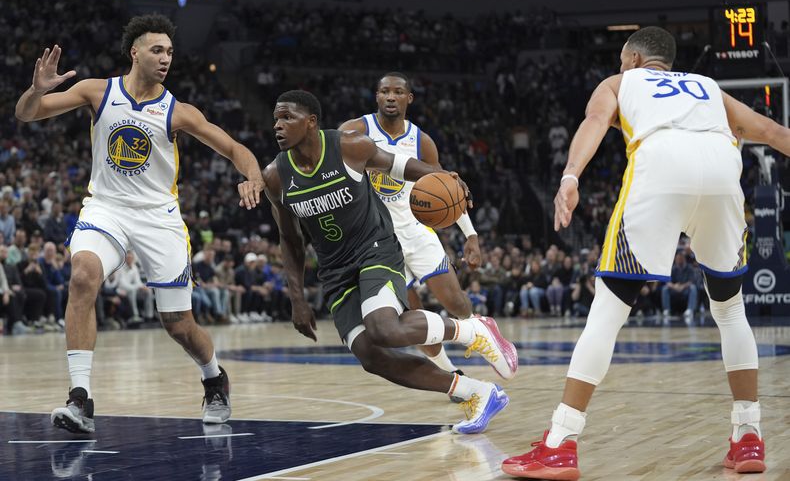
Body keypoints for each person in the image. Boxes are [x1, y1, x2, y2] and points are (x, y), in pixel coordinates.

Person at [502, 26, 790, 478]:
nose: (619, 67)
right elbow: (772, 132)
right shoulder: (709, 87)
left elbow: (595, 122)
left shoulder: (620, 83)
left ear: (634, 59)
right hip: (721, 172)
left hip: (660, 166)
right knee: (731, 311)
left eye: (621, 60)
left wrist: (570, 176)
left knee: (607, 313)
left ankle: (560, 442)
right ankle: (748, 435)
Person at [14, 13, 264, 433]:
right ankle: (80, 399)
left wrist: (252, 176)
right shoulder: (98, 91)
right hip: (105, 208)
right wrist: (35, 91)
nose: (165, 58)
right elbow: (28, 114)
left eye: (169, 51)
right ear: (135, 52)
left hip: (158, 219)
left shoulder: (178, 112)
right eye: (156, 50)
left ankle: (214, 378)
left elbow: (234, 147)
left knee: (178, 324)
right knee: (82, 277)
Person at [262, 90, 518, 434]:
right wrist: (297, 298)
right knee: (372, 356)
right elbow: (290, 240)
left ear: (311, 122)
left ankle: (473, 330)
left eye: (287, 118)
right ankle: (477, 392)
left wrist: (443, 176)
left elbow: (400, 165)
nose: (278, 125)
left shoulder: (349, 146)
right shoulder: (276, 176)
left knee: (385, 328)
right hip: (336, 272)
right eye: (276, 119)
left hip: (376, 248)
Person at [338, 72, 481, 379]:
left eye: (398, 92)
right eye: (385, 91)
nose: (391, 97)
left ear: (408, 98)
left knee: (456, 302)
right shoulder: (353, 131)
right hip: (377, 242)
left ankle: (484, 334)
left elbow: (448, 191)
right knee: (408, 319)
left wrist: (471, 235)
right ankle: (452, 372)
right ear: (376, 96)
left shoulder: (422, 141)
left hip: (416, 231)